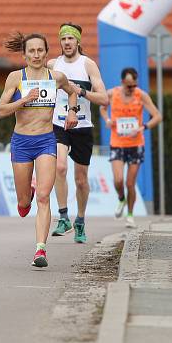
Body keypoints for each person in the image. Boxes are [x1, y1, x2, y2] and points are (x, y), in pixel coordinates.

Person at [0, 32, 79, 267]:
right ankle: (25, 198)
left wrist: (72, 111)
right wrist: (23, 99)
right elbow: (1, 111)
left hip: (46, 140)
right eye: (31, 51)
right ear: (24, 55)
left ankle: (40, 250)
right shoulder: (15, 78)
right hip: (22, 142)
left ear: (46, 53)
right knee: (25, 202)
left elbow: (72, 91)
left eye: (40, 50)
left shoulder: (56, 77)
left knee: (44, 196)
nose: (36, 55)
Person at [47, 23, 108, 244]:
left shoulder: (88, 65)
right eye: (63, 39)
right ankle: (63, 216)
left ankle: (80, 220)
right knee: (60, 167)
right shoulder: (53, 64)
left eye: (70, 39)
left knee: (81, 180)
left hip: (82, 127)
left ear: (78, 42)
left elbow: (104, 98)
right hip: (59, 124)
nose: (67, 43)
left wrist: (81, 90)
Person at [99, 67, 162, 228]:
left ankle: (130, 215)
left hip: (136, 144)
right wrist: (107, 119)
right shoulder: (112, 93)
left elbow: (158, 116)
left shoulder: (141, 95)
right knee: (118, 180)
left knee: (130, 183)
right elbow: (102, 107)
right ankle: (121, 199)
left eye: (134, 85)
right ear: (122, 83)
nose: (132, 89)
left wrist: (144, 127)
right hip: (118, 142)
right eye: (129, 86)